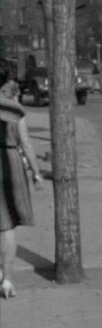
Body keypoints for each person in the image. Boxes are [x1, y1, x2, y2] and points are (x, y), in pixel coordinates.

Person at [1, 80, 43, 299]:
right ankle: (7, 280)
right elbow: (26, 143)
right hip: (9, 163)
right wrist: (36, 172)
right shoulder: (15, 111)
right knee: (7, 226)